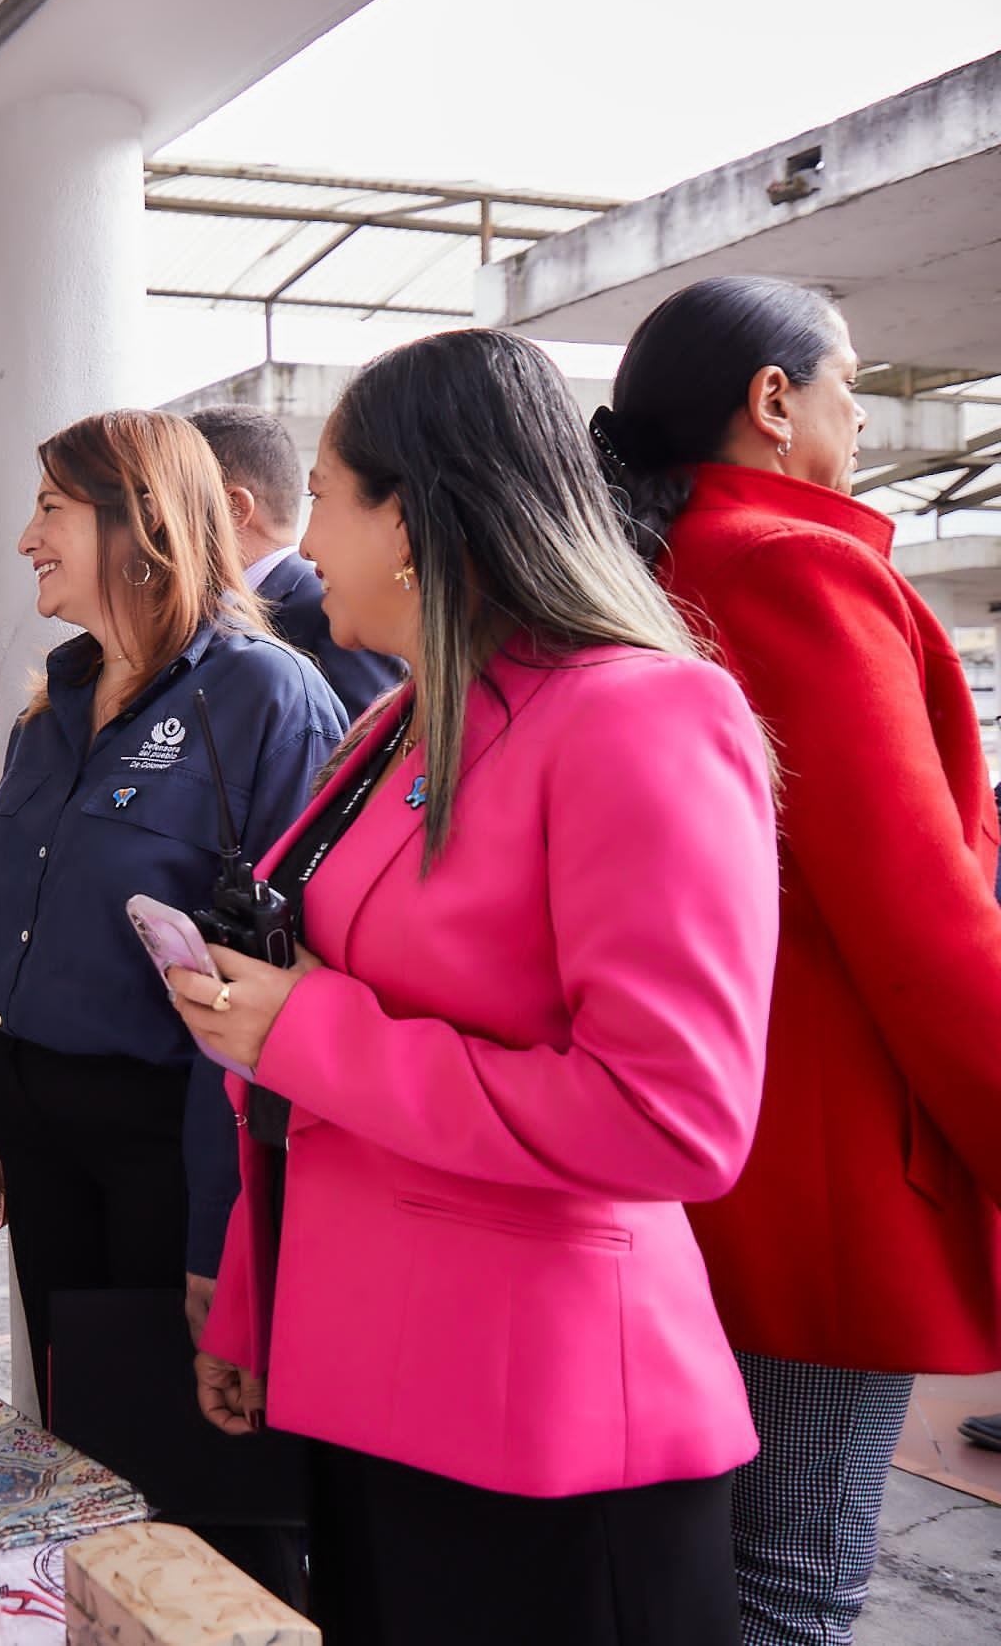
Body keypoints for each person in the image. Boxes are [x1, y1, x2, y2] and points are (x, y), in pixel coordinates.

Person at [180, 328, 779, 1646]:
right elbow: (308, 1047)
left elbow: (671, 1111)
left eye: (328, 493)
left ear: (412, 515)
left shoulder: (639, 714)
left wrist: (304, 1030)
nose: (305, 536)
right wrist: (249, 1292)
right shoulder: (397, 721)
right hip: (366, 1381)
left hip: (545, 1426)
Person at [593, 274, 1001, 1646]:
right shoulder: (792, 565)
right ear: (772, 400)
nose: (859, 410)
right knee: (792, 1581)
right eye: (849, 380)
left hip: (690, 1150)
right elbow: (921, 922)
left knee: (700, 1561)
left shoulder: (643, 569)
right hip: (818, 1172)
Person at [0, 410, 343, 1559]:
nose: (23, 541)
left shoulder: (264, 700)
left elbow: (271, 1001)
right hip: (42, 1138)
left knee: (200, 1479)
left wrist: (224, 1242)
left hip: (174, 1147)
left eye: (50, 510)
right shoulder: (53, 708)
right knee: (85, 1456)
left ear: (139, 521)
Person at [189, 402, 406, 716]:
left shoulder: (335, 609)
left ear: (234, 507)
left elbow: (361, 751)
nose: (153, 523)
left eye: (173, 501)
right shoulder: (206, 614)